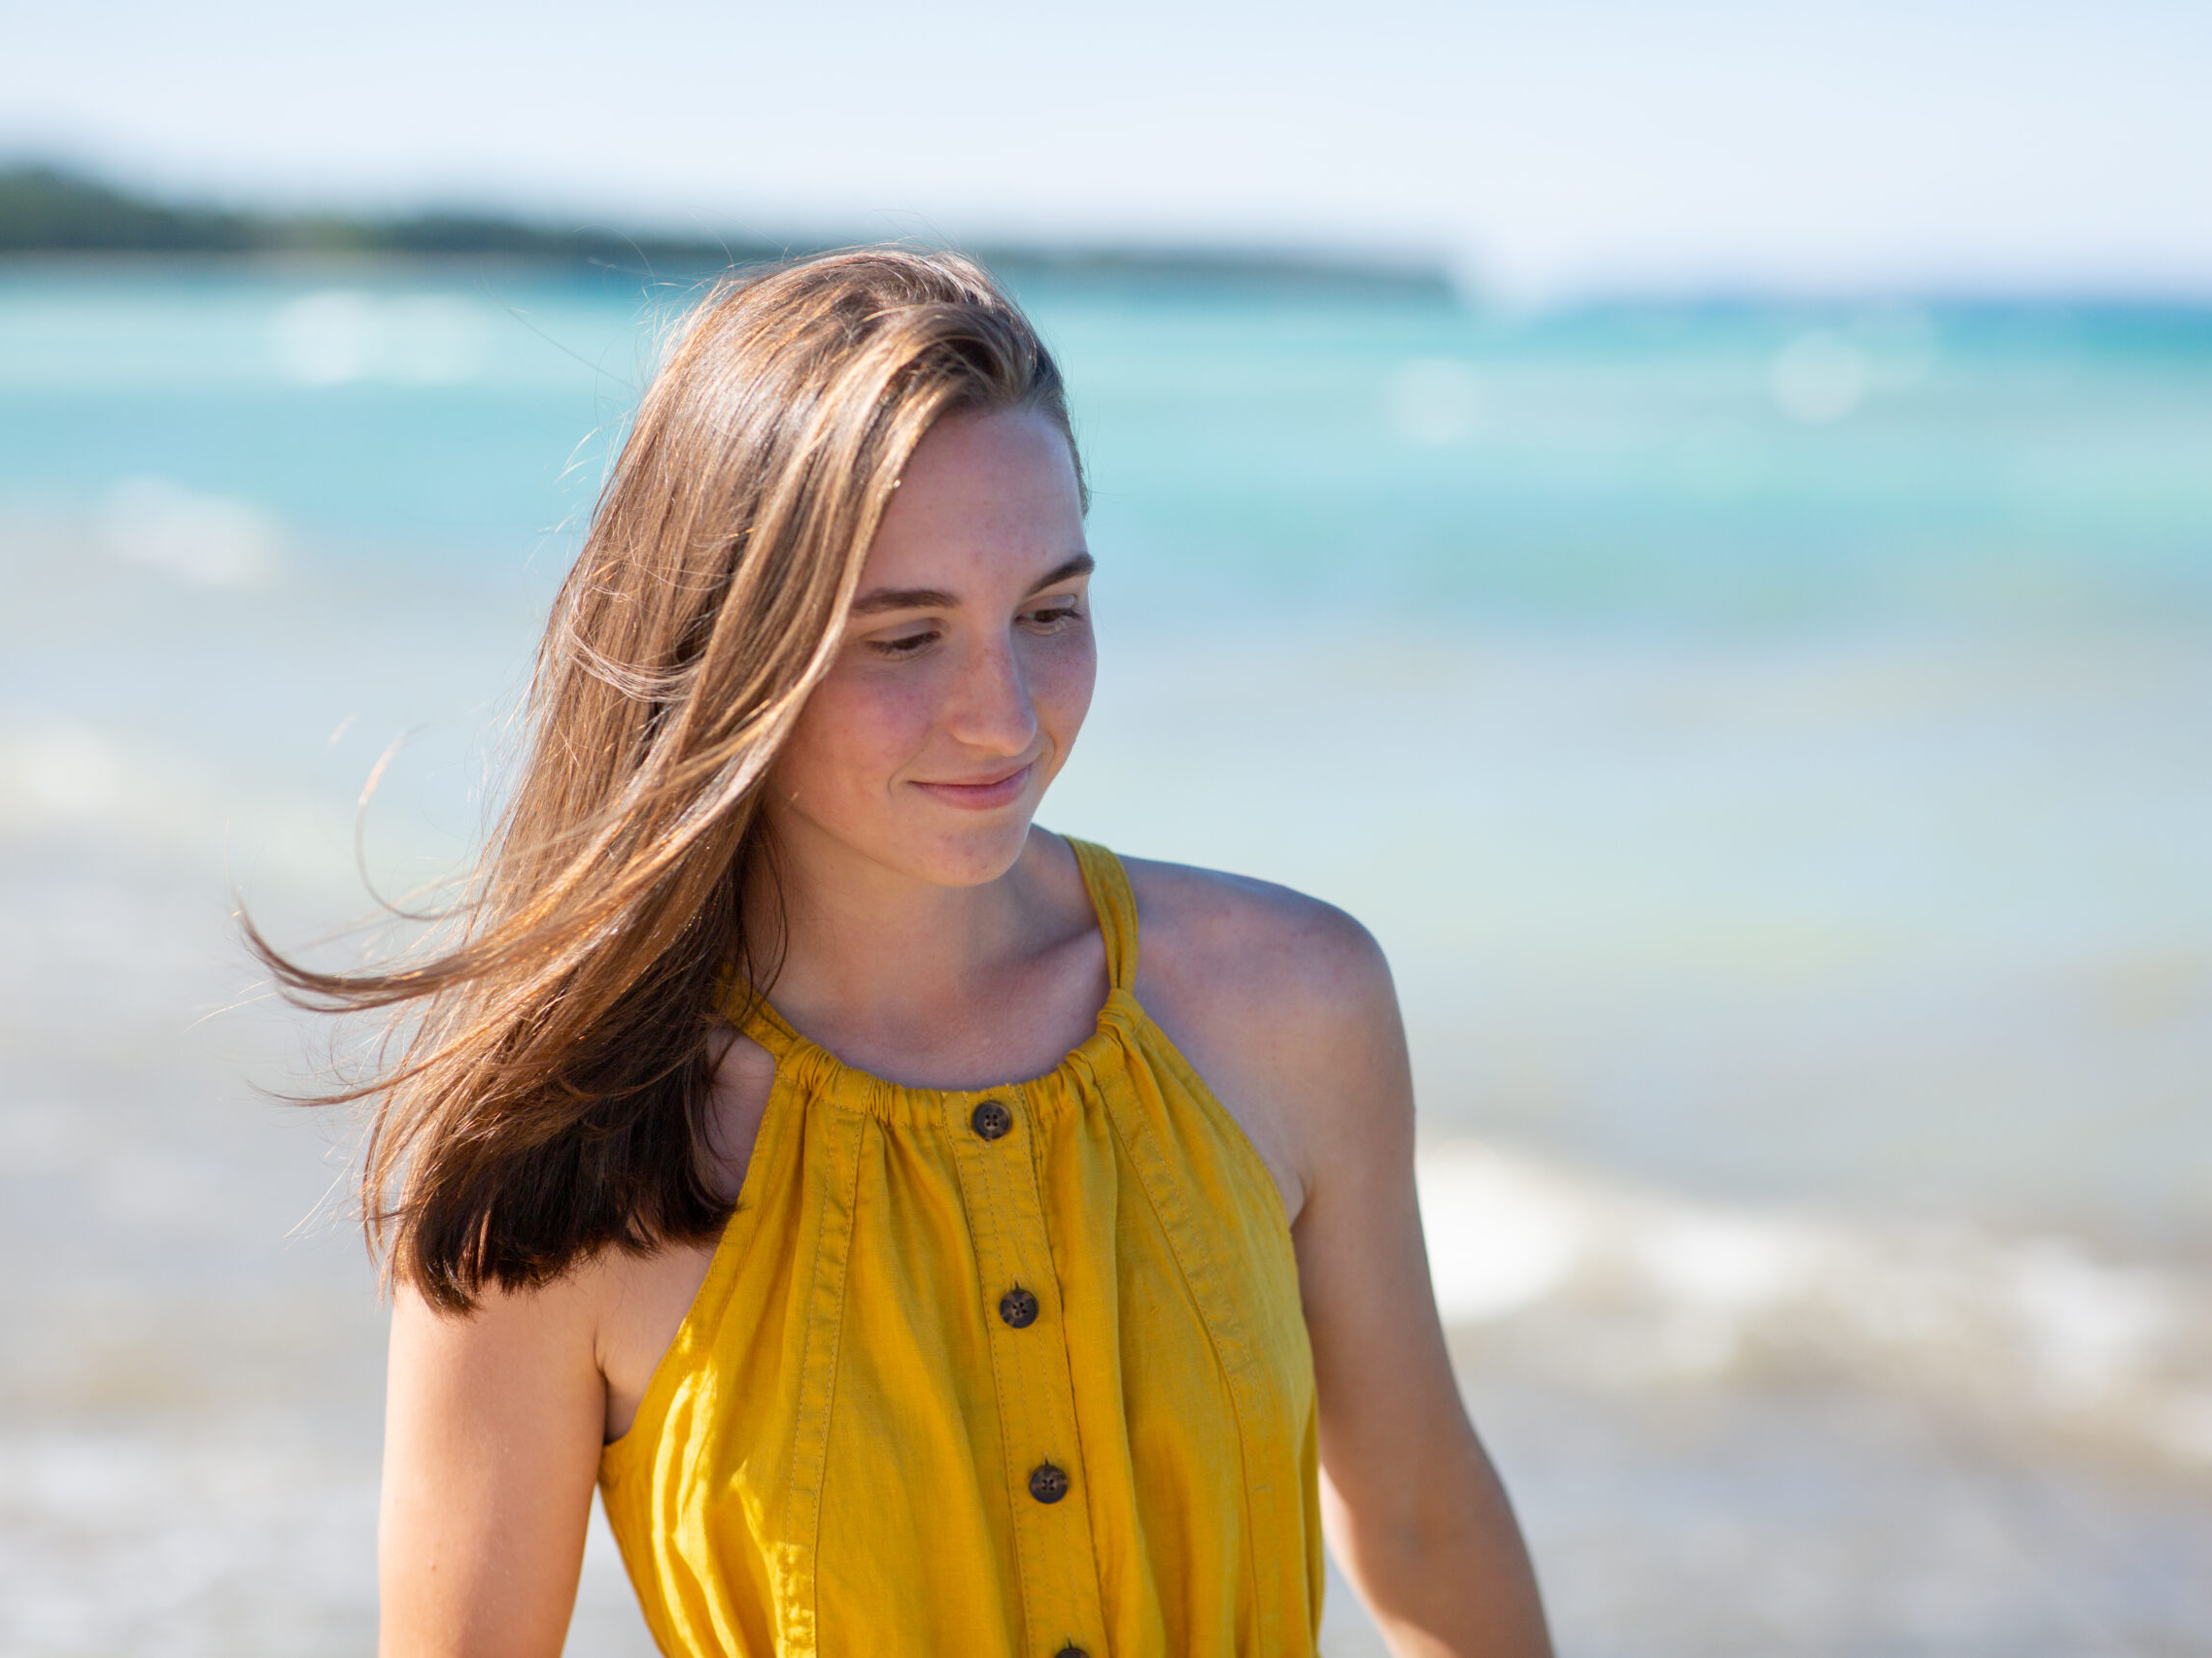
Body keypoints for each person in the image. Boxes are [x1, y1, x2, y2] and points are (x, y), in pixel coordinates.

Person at [262, 250, 1551, 1658]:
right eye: (904, 638)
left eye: (1050, 613)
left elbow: (1423, 1521)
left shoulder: (1295, 1002)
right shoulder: (555, 1151)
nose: (1003, 718)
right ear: (726, 650)